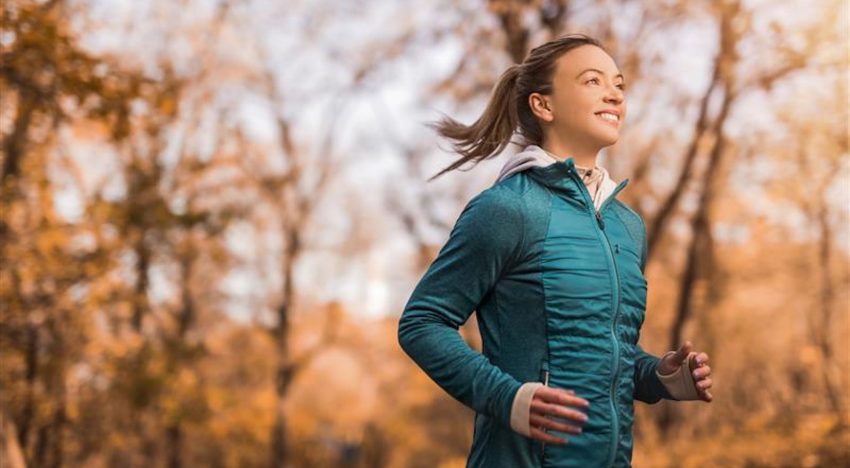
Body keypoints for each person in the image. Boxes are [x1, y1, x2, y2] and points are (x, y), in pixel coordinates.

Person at [397, 33, 714, 467]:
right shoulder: (508, 209)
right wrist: (506, 398)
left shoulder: (627, 226)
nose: (614, 94)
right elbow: (422, 322)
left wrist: (657, 377)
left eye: (619, 85)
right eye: (592, 81)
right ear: (543, 105)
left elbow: (602, 353)